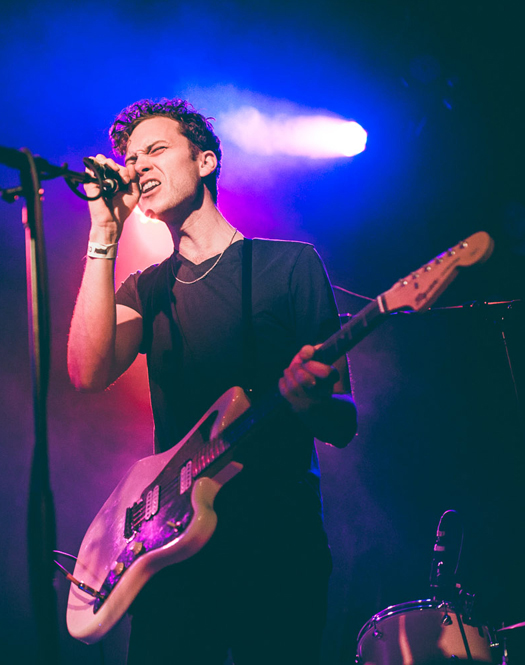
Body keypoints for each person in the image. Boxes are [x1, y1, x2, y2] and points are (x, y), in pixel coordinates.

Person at [67, 99, 357, 664]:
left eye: (156, 150)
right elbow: (87, 371)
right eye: (131, 157)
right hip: (169, 550)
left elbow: (343, 419)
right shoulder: (147, 289)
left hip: (277, 538)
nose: (138, 166)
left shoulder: (290, 266)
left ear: (205, 162)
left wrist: (307, 403)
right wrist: (104, 231)